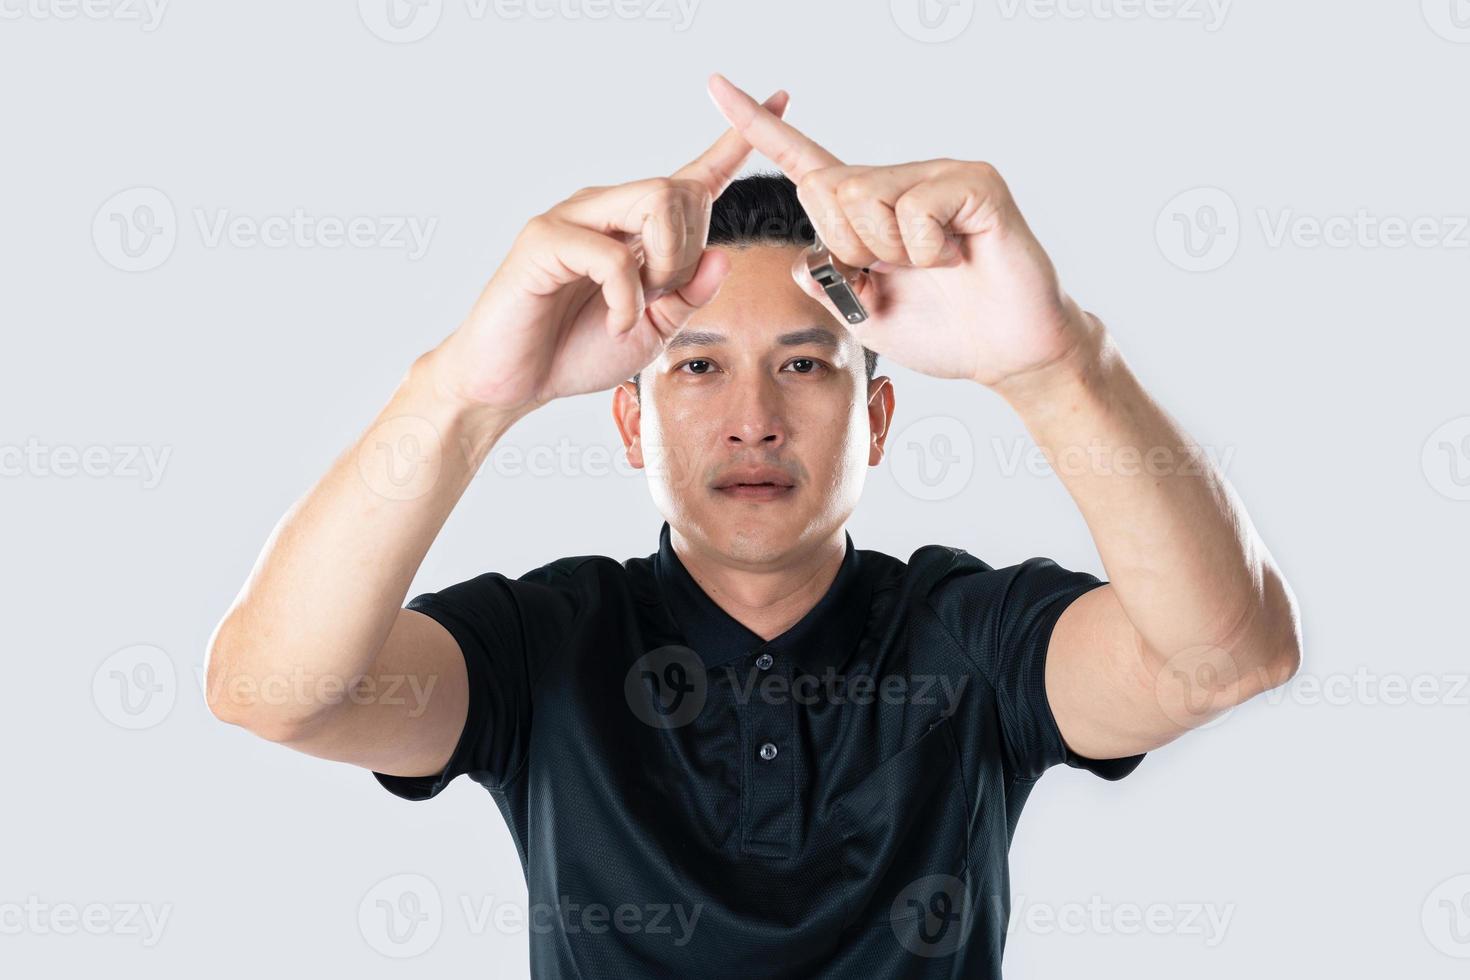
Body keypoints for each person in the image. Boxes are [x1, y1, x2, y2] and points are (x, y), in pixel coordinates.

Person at [204, 74, 1302, 978]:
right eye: (696, 366)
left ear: (876, 414)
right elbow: (273, 691)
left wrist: (1057, 366)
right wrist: (463, 392)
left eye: (803, 365)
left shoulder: (969, 632)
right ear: (629, 418)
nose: (753, 420)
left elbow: (1222, 659)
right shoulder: (548, 639)